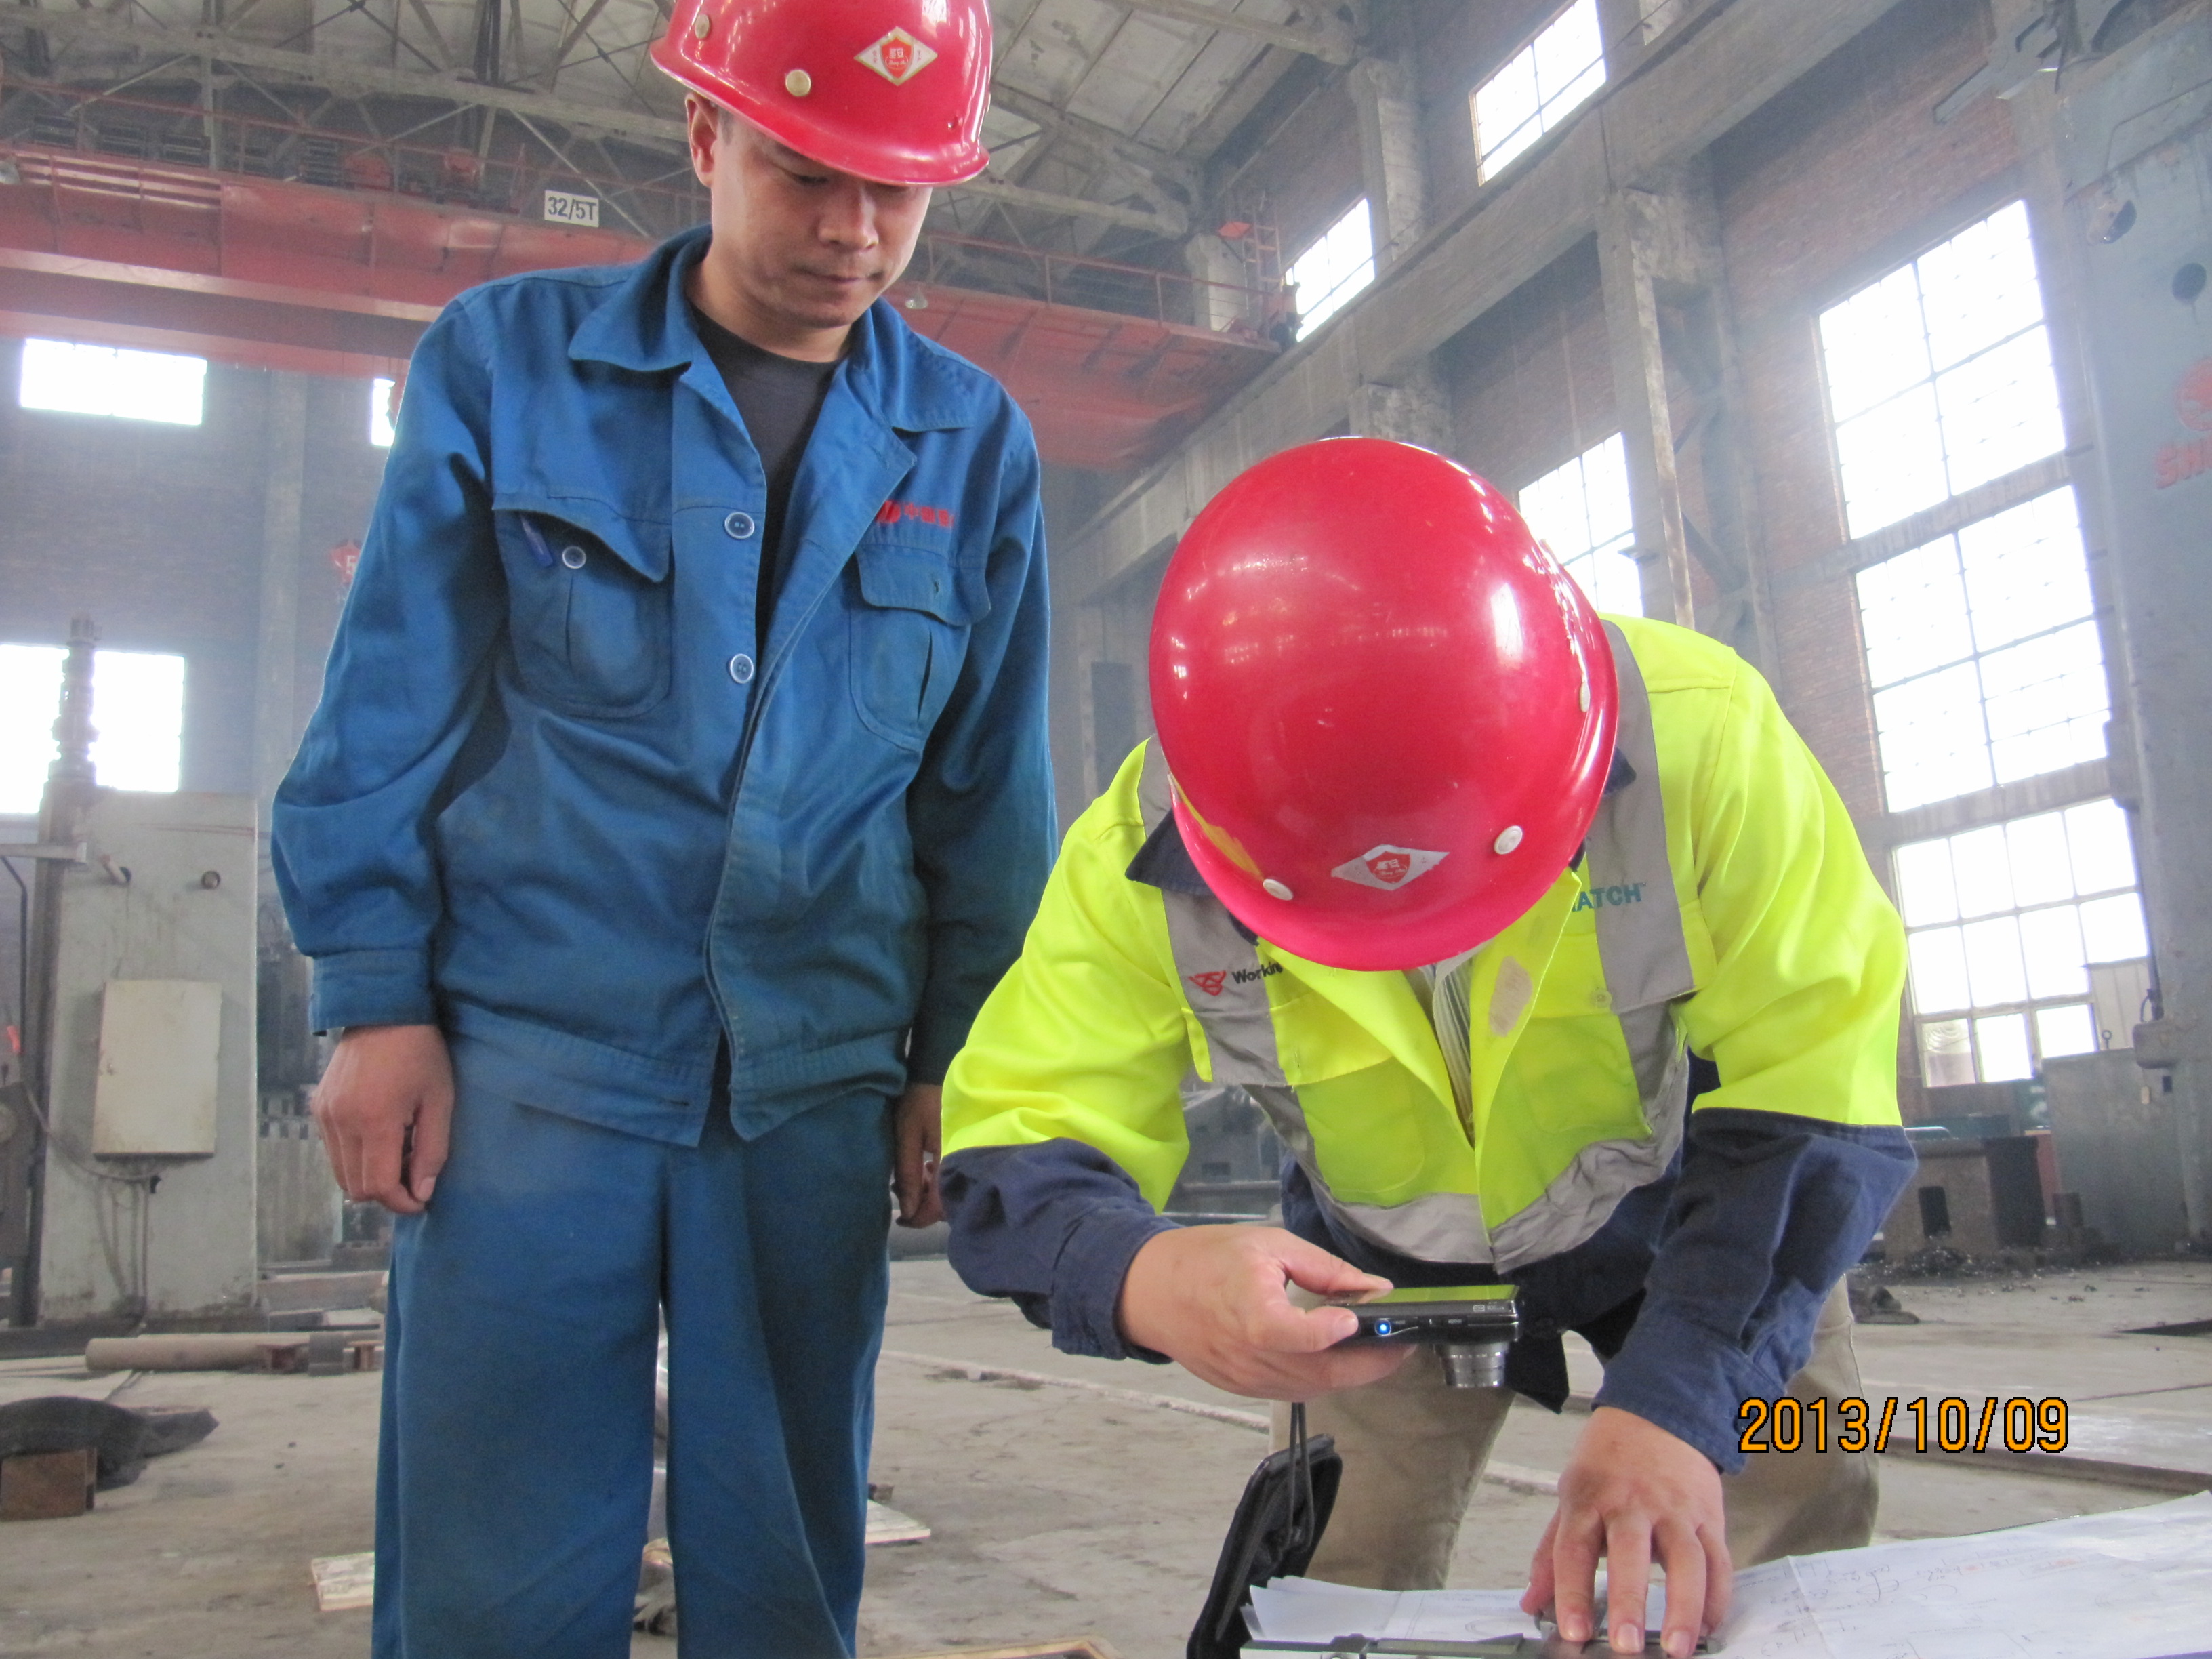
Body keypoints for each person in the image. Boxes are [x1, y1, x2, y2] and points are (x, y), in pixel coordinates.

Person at [271, 2, 1053, 1654]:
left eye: (898, 193)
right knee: (496, 1570)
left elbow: (986, 787)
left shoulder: (972, 444)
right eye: (805, 172)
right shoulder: (504, 366)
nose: (853, 233)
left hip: (813, 1083)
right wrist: (372, 995)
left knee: (782, 1566)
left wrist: (961, 1060)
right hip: (530, 1063)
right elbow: (389, 701)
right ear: (705, 140)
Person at [937, 438, 1914, 1659]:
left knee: (1790, 1499)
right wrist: (1144, 1277)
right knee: (1344, 1586)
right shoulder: (1141, 854)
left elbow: (1815, 1093)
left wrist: (1683, 1390)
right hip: (1379, 1277)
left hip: (1705, 1239)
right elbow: (1011, 1140)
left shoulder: (1703, 744)